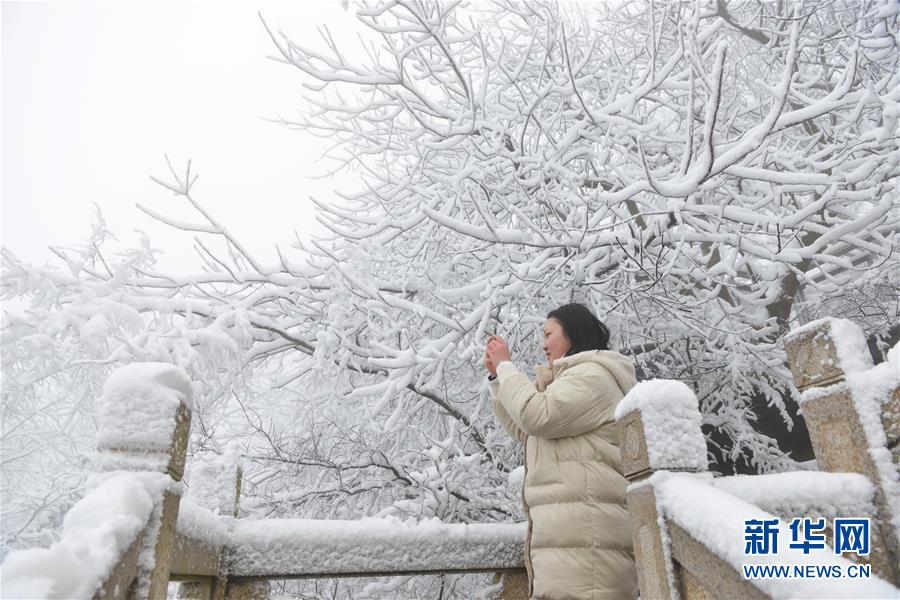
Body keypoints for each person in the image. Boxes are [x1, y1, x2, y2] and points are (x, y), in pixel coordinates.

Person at [484, 303, 638, 600]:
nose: (543, 344)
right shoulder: (569, 380)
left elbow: (536, 416)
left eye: (548, 334)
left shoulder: (592, 377)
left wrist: (506, 367)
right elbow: (526, 430)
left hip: (588, 543)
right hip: (571, 541)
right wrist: (497, 379)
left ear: (573, 333)